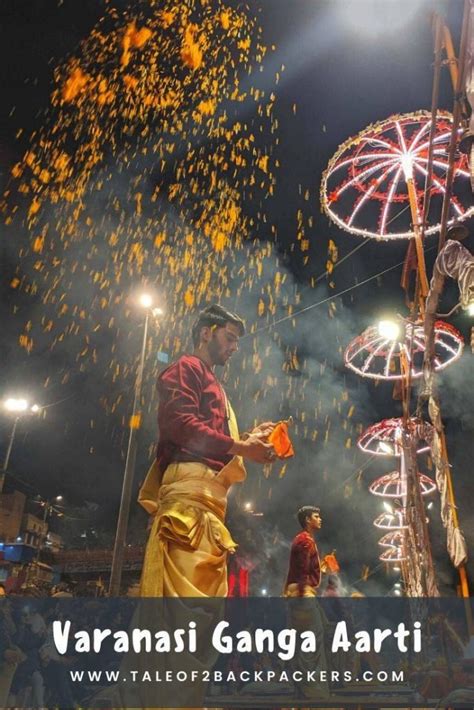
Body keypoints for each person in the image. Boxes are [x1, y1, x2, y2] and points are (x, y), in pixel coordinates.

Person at [139, 304, 276, 597]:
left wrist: (249, 438)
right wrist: (243, 447)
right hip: (186, 511)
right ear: (205, 333)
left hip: (211, 512)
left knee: (206, 618)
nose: (235, 347)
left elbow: (209, 441)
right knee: (185, 616)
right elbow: (181, 426)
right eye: (229, 338)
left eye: (237, 341)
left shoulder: (214, 382)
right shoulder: (185, 368)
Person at [284, 506, 324, 598]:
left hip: (300, 590)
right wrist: (302, 594)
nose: (320, 519)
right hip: (303, 592)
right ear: (308, 519)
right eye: (316, 517)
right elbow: (302, 570)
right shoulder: (305, 540)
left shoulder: (302, 538)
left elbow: (297, 569)